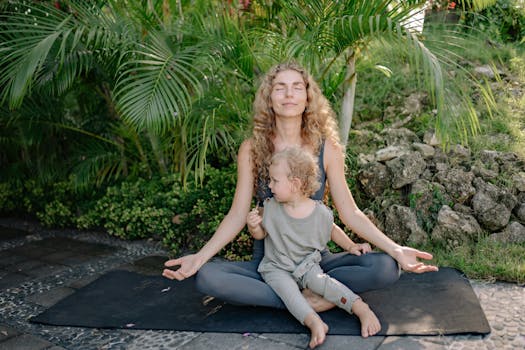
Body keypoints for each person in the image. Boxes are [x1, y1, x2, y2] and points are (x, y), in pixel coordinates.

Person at [163, 61, 438, 313]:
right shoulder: (251, 149)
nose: (289, 94)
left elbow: (350, 213)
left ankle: (299, 296)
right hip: (271, 264)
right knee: (209, 278)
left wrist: (396, 249)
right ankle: (318, 298)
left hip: (317, 260)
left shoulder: (327, 148)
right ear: (269, 99)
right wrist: (199, 258)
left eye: (297, 87)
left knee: (386, 267)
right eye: (280, 88)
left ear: (308, 99)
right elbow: (237, 215)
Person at [247, 146, 380, 348]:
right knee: (289, 292)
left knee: (324, 283)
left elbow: (333, 230)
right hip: (277, 267)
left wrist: (351, 246)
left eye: (275, 180)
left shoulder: (319, 212)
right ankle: (314, 322)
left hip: (307, 265)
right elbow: (262, 234)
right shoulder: (270, 207)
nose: (269, 185)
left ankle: (360, 308)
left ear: (295, 184)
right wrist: (253, 227)